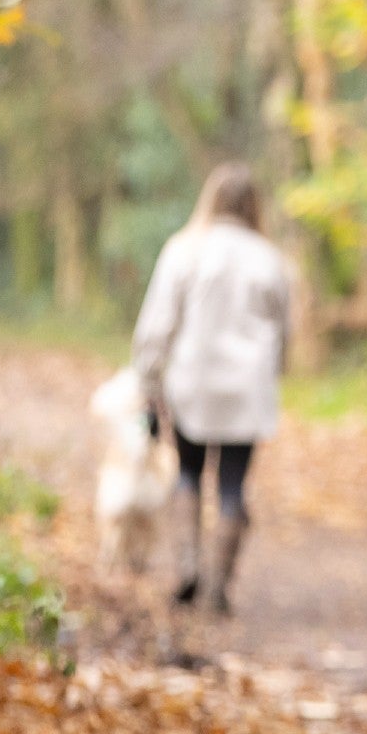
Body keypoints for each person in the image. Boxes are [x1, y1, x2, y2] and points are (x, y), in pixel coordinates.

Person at [131, 162, 293, 614]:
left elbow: (157, 324)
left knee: (186, 472)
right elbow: (285, 329)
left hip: (191, 382)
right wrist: (277, 371)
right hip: (247, 388)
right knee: (232, 484)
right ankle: (218, 586)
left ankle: (187, 566)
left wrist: (148, 380)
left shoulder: (184, 249)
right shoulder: (271, 258)